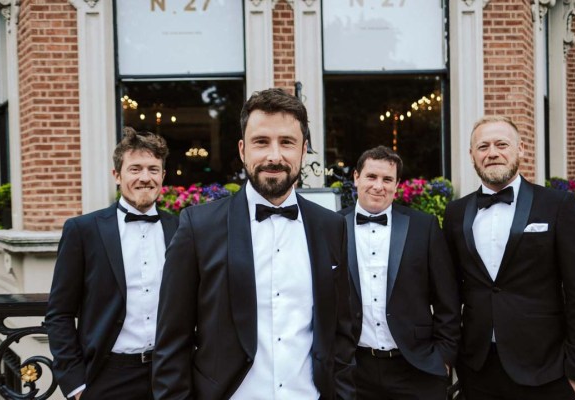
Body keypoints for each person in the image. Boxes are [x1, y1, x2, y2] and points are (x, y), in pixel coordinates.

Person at [152, 88, 356, 400]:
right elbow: (171, 343)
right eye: (262, 142)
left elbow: (341, 332)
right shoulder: (198, 227)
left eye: (287, 142)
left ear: (303, 152)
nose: (274, 155)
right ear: (243, 150)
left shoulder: (331, 227)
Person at [443, 116, 575, 400]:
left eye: (501, 144)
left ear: (521, 149)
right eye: (482, 146)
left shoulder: (558, 205)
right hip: (478, 370)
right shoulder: (455, 213)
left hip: (548, 371)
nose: (492, 152)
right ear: (472, 155)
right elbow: (449, 292)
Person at [45, 128, 179, 400]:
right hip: (108, 376)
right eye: (135, 169)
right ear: (117, 175)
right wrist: (75, 384)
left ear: (163, 176)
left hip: (171, 373)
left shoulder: (181, 228)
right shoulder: (83, 231)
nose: (145, 178)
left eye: (153, 169)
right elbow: (59, 313)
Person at [339, 145, 460, 400]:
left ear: (397, 185)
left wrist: (443, 359)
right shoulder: (332, 227)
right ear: (356, 178)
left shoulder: (423, 227)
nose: (378, 186)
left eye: (387, 179)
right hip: (354, 370)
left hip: (417, 368)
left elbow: (447, 300)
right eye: (371, 177)